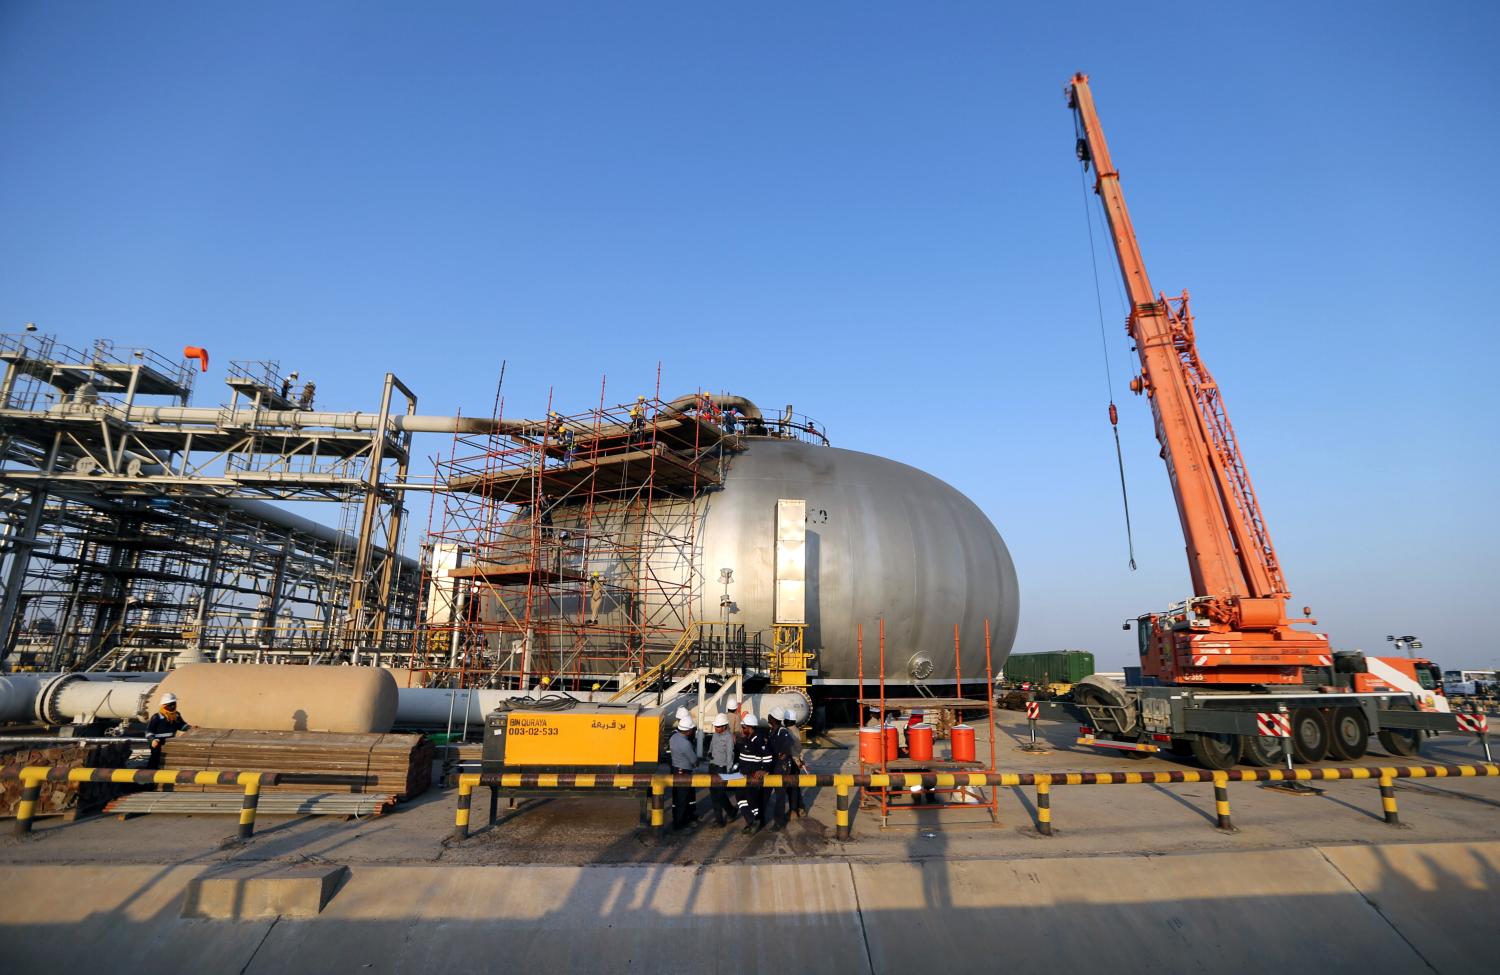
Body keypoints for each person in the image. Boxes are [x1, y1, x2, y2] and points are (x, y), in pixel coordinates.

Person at [735, 713, 773, 834]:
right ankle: (751, 820)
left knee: (751, 799)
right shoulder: (748, 739)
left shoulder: (758, 740)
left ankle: (755, 820)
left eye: (744, 727)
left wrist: (763, 770)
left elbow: (768, 756)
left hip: (752, 777)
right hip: (743, 775)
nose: (742, 729)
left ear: (750, 727)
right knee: (740, 797)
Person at [668, 716, 699, 831]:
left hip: (675, 770)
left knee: (676, 798)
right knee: (682, 799)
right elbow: (693, 760)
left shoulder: (673, 738)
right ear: (688, 731)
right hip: (685, 772)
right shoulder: (686, 744)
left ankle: (676, 819)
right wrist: (697, 763)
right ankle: (679, 824)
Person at [707, 713, 736, 827]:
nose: (716, 728)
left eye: (718, 727)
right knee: (714, 794)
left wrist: (729, 770)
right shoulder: (715, 735)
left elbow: (730, 754)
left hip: (721, 768)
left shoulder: (728, 737)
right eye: (715, 726)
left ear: (724, 726)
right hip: (712, 766)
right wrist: (709, 753)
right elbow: (711, 746)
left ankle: (731, 811)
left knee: (720, 794)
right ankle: (719, 820)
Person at [146, 692, 189, 769]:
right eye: (170, 705)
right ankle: (149, 775)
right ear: (164, 706)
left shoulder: (176, 715)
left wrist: (190, 728)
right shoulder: (157, 717)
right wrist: (152, 740)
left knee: (169, 760)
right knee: (155, 759)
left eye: (174, 704)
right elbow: (149, 731)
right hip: (158, 742)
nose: (173, 706)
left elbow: (181, 725)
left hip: (170, 742)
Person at [766, 711, 792, 830]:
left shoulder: (783, 731)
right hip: (772, 766)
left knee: (780, 795)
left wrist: (784, 754)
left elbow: (788, 743)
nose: (768, 717)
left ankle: (778, 822)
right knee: (765, 792)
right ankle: (760, 818)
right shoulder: (772, 731)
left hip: (780, 767)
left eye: (770, 716)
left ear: (774, 719)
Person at [779, 708, 807, 819]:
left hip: (792, 761)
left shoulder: (788, 731)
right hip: (797, 761)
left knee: (792, 788)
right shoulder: (795, 729)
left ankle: (794, 810)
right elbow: (799, 748)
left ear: (788, 721)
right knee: (795, 787)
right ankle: (800, 808)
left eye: (785, 720)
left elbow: (790, 748)